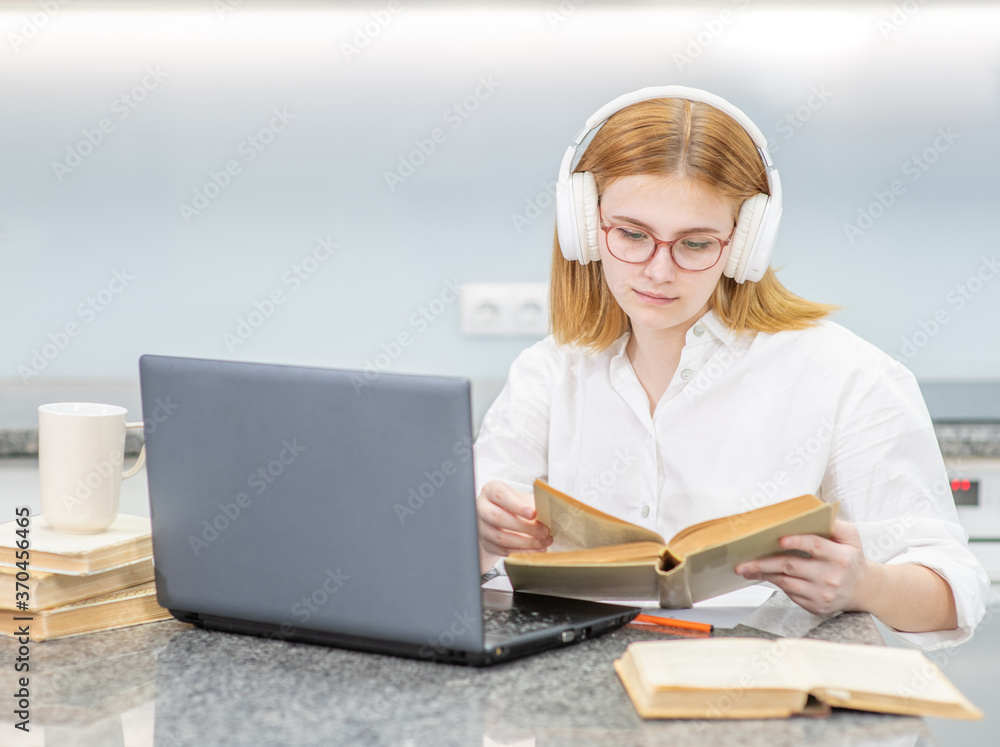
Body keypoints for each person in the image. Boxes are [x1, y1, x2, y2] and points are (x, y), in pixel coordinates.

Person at [473, 86, 990, 649]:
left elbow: (952, 592)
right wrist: (478, 537)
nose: (658, 271)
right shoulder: (549, 373)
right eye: (631, 235)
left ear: (746, 245)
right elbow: (450, 559)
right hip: (571, 702)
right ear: (584, 228)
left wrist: (867, 583)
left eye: (695, 244)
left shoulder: (848, 376)